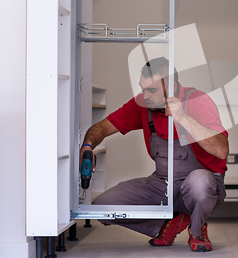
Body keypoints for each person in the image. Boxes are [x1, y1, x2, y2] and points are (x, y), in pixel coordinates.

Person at [79, 57, 229, 252]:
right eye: (142, 89)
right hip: (163, 183)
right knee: (103, 207)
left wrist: (182, 117)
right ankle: (171, 222)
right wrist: (88, 145)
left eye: (151, 90)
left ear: (172, 87)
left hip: (201, 183)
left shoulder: (197, 101)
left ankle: (197, 230)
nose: (145, 95)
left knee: (199, 183)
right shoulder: (143, 105)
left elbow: (222, 149)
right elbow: (101, 128)